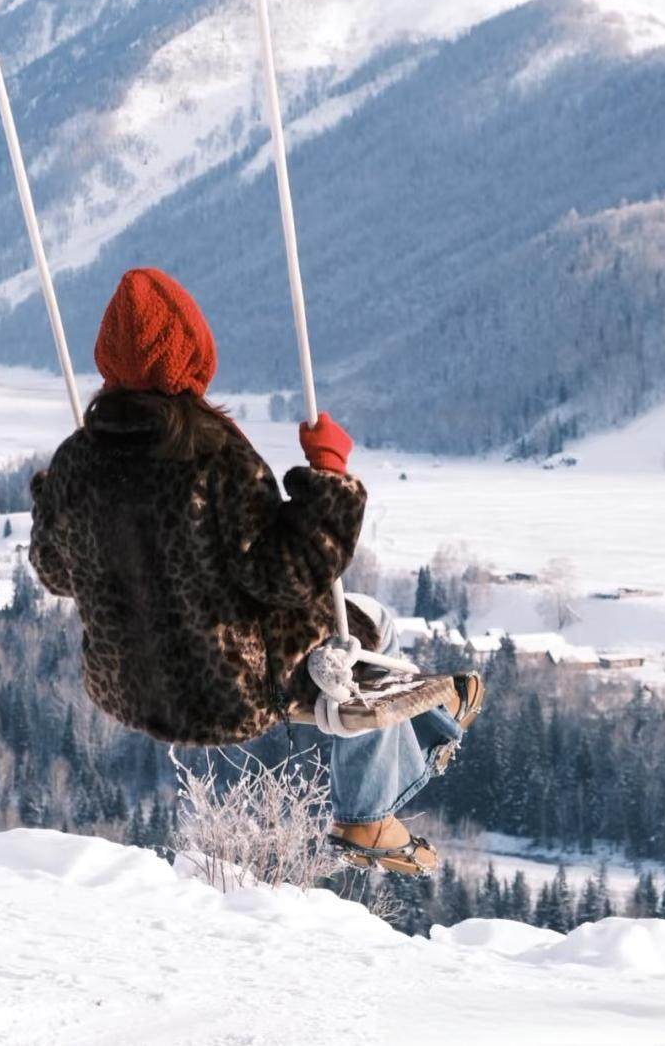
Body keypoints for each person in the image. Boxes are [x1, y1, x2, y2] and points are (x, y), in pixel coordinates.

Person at [29, 267, 482, 875]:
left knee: (369, 642)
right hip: (229, 693)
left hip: (126, 686)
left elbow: (54, 571)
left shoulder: (79, 459)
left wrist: (51, 497)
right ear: (194, 354)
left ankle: (441, 718)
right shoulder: (213, 456)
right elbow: (288, 575)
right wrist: (330, 480)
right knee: (366, 632)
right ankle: (369, 812)